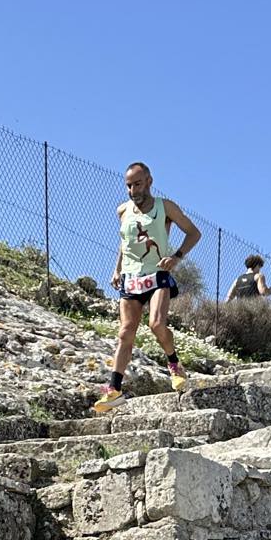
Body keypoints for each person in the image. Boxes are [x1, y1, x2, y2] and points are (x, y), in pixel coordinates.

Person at [93, 161, 202, 414]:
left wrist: (177, 257)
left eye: (138, 184)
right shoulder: (122, 211)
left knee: (156, 324)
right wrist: (117, 269)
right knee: (125, 332)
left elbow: (194, 233)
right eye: (129, 186)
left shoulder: (166, 208)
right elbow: (126, 242)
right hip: (131, 277)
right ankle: (114, 390)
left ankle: (174, 364)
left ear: (150, 182)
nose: (133, 190)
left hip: (158, 274)